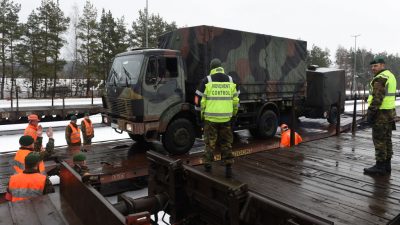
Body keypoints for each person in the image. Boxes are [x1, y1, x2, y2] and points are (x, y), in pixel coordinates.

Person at [195, 58, 239, 178]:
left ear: (211, 68)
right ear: (221, 67)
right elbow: (235, 101)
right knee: (226, 143)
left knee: (210, 144)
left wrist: (201, 116)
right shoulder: (230, 80)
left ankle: (208, 167)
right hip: (226, 119)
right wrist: (234, 114)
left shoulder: (207, 80)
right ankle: (228, 168)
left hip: (210, 119)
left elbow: (200, 101)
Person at [364, 56, 397, 175]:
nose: (373, 68)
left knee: (379, 140)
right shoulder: (390, 76)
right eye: (372, 66)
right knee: (387, 139)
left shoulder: (380, 78)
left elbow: (378, 98)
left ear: (382, 65)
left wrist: (370, 113)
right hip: (389, 113)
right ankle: (387, 165)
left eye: (376, 65)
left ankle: (380, 166)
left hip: (380, 113)